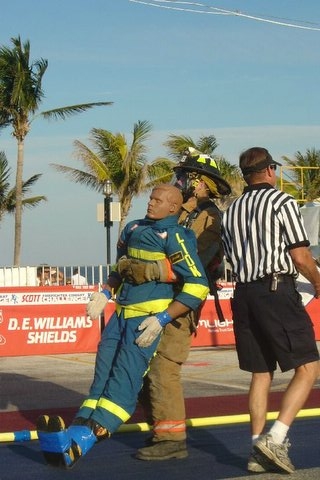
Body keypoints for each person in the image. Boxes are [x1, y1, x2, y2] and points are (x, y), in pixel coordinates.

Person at [36, 184, 209, 469]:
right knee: (101, 377)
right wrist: (105, 293)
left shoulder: (177, 236)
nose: (151, 203)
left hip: (146, 321)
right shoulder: (132, 228)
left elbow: (198, 285)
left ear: (173, 208)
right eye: (151, 197)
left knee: (123, 382)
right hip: (120, 315)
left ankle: (84, 440)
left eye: (158, 200)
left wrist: (163, 318)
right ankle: (74, 434)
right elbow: (121, 268)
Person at [221, 146, 320, 474]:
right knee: (307, 368)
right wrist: (318, 283)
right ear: (268, 171)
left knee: (261, 373)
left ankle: (255, 450)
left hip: (243, 293)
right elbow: (300, 256)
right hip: (276, 290)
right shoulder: (282, 202)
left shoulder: (231, 211)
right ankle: (275, 439)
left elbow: (228, 257)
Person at [133, 147, 231, 461]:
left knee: (164, 366)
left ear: (201, 183)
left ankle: (172, 439)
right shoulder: (180, 213)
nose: (179, 180)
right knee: (140, 367)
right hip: (154, 298)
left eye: (185, 176)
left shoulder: (208, 217)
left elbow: (194, 263)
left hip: (180, 302)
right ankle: (160, 427)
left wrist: (151, 270)